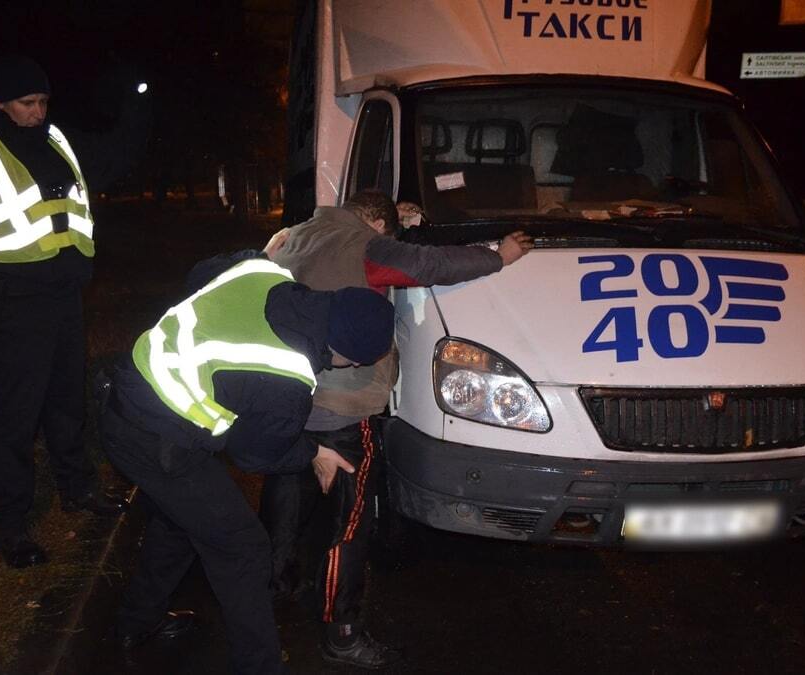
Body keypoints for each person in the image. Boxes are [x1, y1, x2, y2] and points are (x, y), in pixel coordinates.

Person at [260, 189, 533, 668]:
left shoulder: (295, 234)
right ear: (378, 225)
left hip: (288, 399)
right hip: (341, 407)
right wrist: (498, 256)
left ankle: (271, 589)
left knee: (287, 497)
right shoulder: (367, 247)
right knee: (350, 524)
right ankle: (341, 630)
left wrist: (397, 222)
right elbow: (426, 265)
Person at [99, 252, 396, 674]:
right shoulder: (289, 378)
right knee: (242, 549)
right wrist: (313, 451)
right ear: (344, 354)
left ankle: (137, 622)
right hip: (155, 440)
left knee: (185, 522)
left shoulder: (264, 270)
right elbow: (252, 453)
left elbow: (199, 272)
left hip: (130, 391)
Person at [0, 55, 150, 568]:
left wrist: (134, 112)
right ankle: (9, 525)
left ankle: (78, 489)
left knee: (67, 404)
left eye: (44, 101)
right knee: (13, 421)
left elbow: (108, 162)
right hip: (11, 303)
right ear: (1, 103)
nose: (38, 112)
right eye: (27, 103)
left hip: (64, 299)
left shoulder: (56, 140)